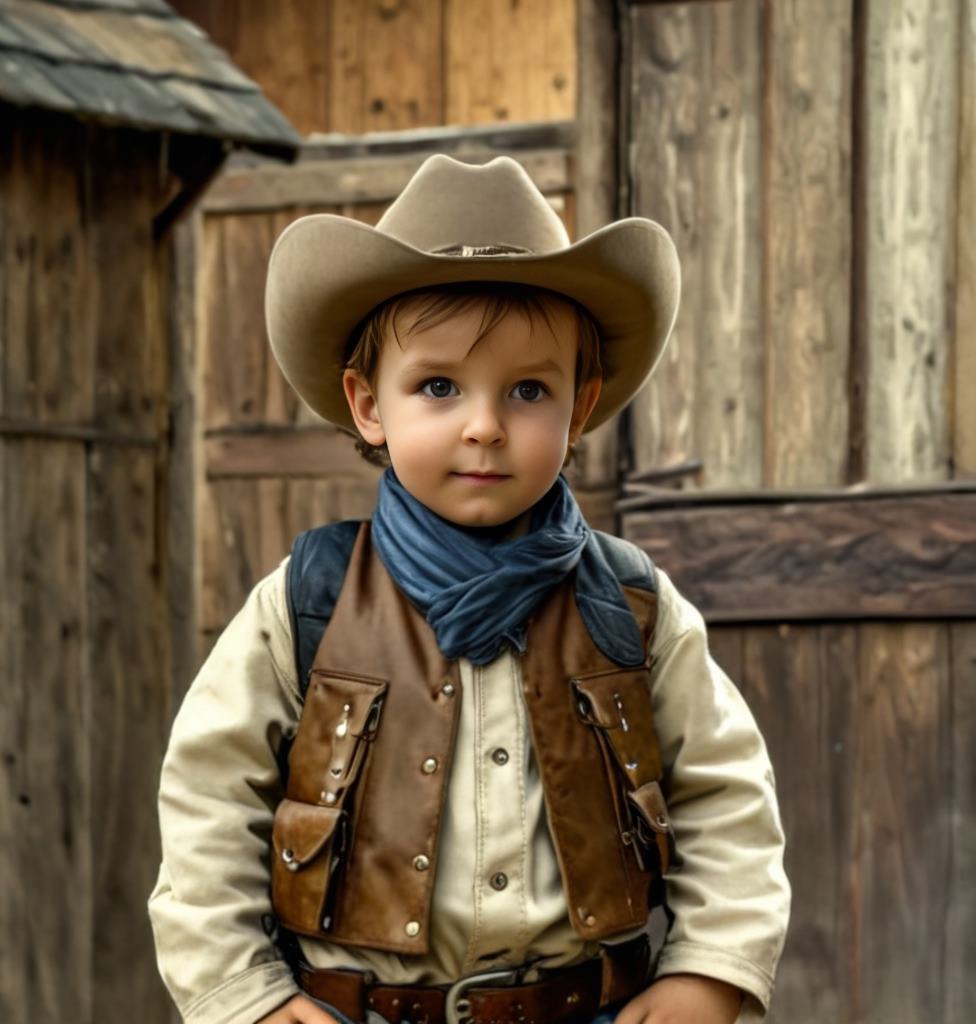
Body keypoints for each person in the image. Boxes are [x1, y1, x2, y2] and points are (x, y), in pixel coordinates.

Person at [149, 155, 790, 1024]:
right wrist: (246, 997)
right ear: (369, 405)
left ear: (579, 409)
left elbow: (726, 795)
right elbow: (211, 805)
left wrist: (709, 970)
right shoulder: (306, 603)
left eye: (529, 390)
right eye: (439, 386)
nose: (484, 425)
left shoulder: (633, 607)